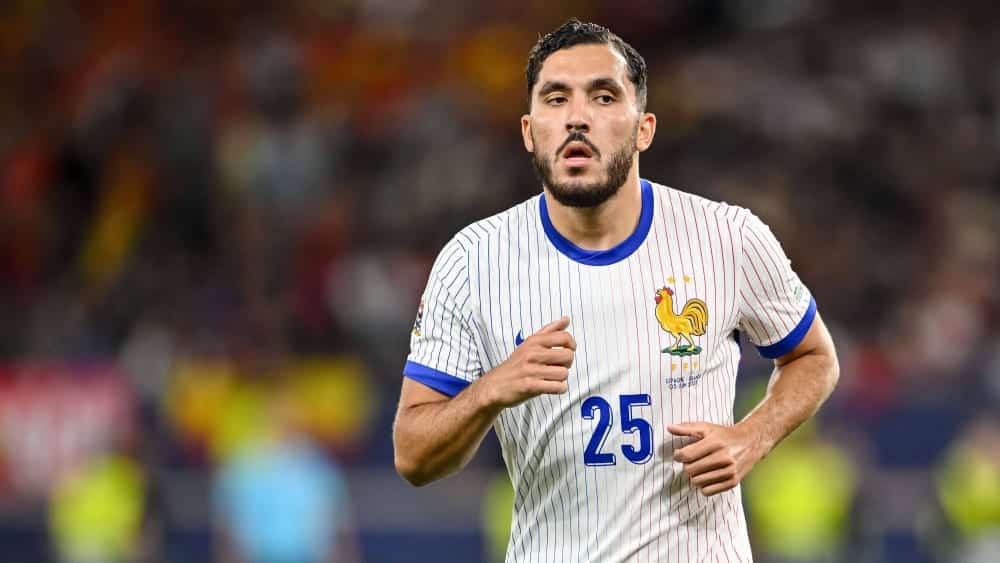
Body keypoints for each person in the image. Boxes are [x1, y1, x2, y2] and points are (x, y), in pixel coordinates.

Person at [392, 18, 839, 562]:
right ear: (530, 131)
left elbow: (814, 356)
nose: (577, 117)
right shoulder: (472, 260)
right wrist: (490, 390)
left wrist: (754, 436)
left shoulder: (728, 237)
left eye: (603, 97)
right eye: (556, 98)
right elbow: (413, 455)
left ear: (643, 129)